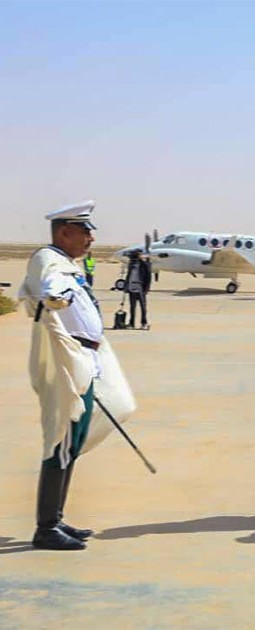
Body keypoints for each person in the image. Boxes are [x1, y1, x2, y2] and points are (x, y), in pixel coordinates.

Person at [18, 201, 136, 550]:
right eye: (85, 231)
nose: (91, 238)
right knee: (61, 441)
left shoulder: (66, 262)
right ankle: (46, 528)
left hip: (84, 360)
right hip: (68, 364)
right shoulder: (49, 260)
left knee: (72, 443)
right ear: (65, 232)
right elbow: (50, 285)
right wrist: (57, 295)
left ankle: (56, 518)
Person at [123, 250, 151, 329]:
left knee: (143, 306)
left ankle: (144, 322)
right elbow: (128, 276)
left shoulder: (144, 265)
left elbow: (148, 277)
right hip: (131, 287)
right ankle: (131, 323)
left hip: (140, 287)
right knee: (132, 307)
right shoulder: (131, 265)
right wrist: (126, 286)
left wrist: (147, 288)